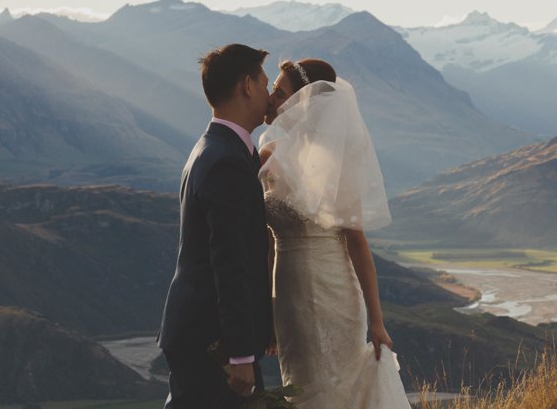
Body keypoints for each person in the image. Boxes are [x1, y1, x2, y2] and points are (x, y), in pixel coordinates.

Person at [259, 58, 412, 409]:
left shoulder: (337, 161)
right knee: (301, 387)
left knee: (336, 388)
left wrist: (377, 321)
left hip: (336, 295)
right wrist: (268, 313)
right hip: (288, 297)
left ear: (303, 101)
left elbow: (357, 244)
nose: (271, 97)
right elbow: (267, 243)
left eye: (279, 92)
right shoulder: (268, 155)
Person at [158, 43, 274, 409]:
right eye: (265, 83)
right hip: (212, 339)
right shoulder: (226, 161)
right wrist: (240, 355)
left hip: (201, 329)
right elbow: (229, 261)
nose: (269, 94)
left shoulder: (217, 147)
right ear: (247, 86)